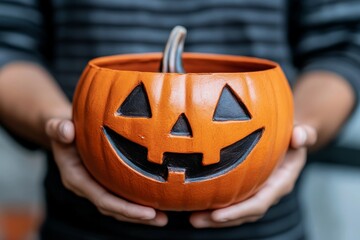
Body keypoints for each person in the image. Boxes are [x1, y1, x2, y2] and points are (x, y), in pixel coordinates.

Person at [0, 0, 359, 239]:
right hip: (78, 228)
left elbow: (344, 45)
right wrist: (60, 127)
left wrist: (296, 133)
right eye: (139, 107)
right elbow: (7, 43)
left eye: (225, 111)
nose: (178, 132)